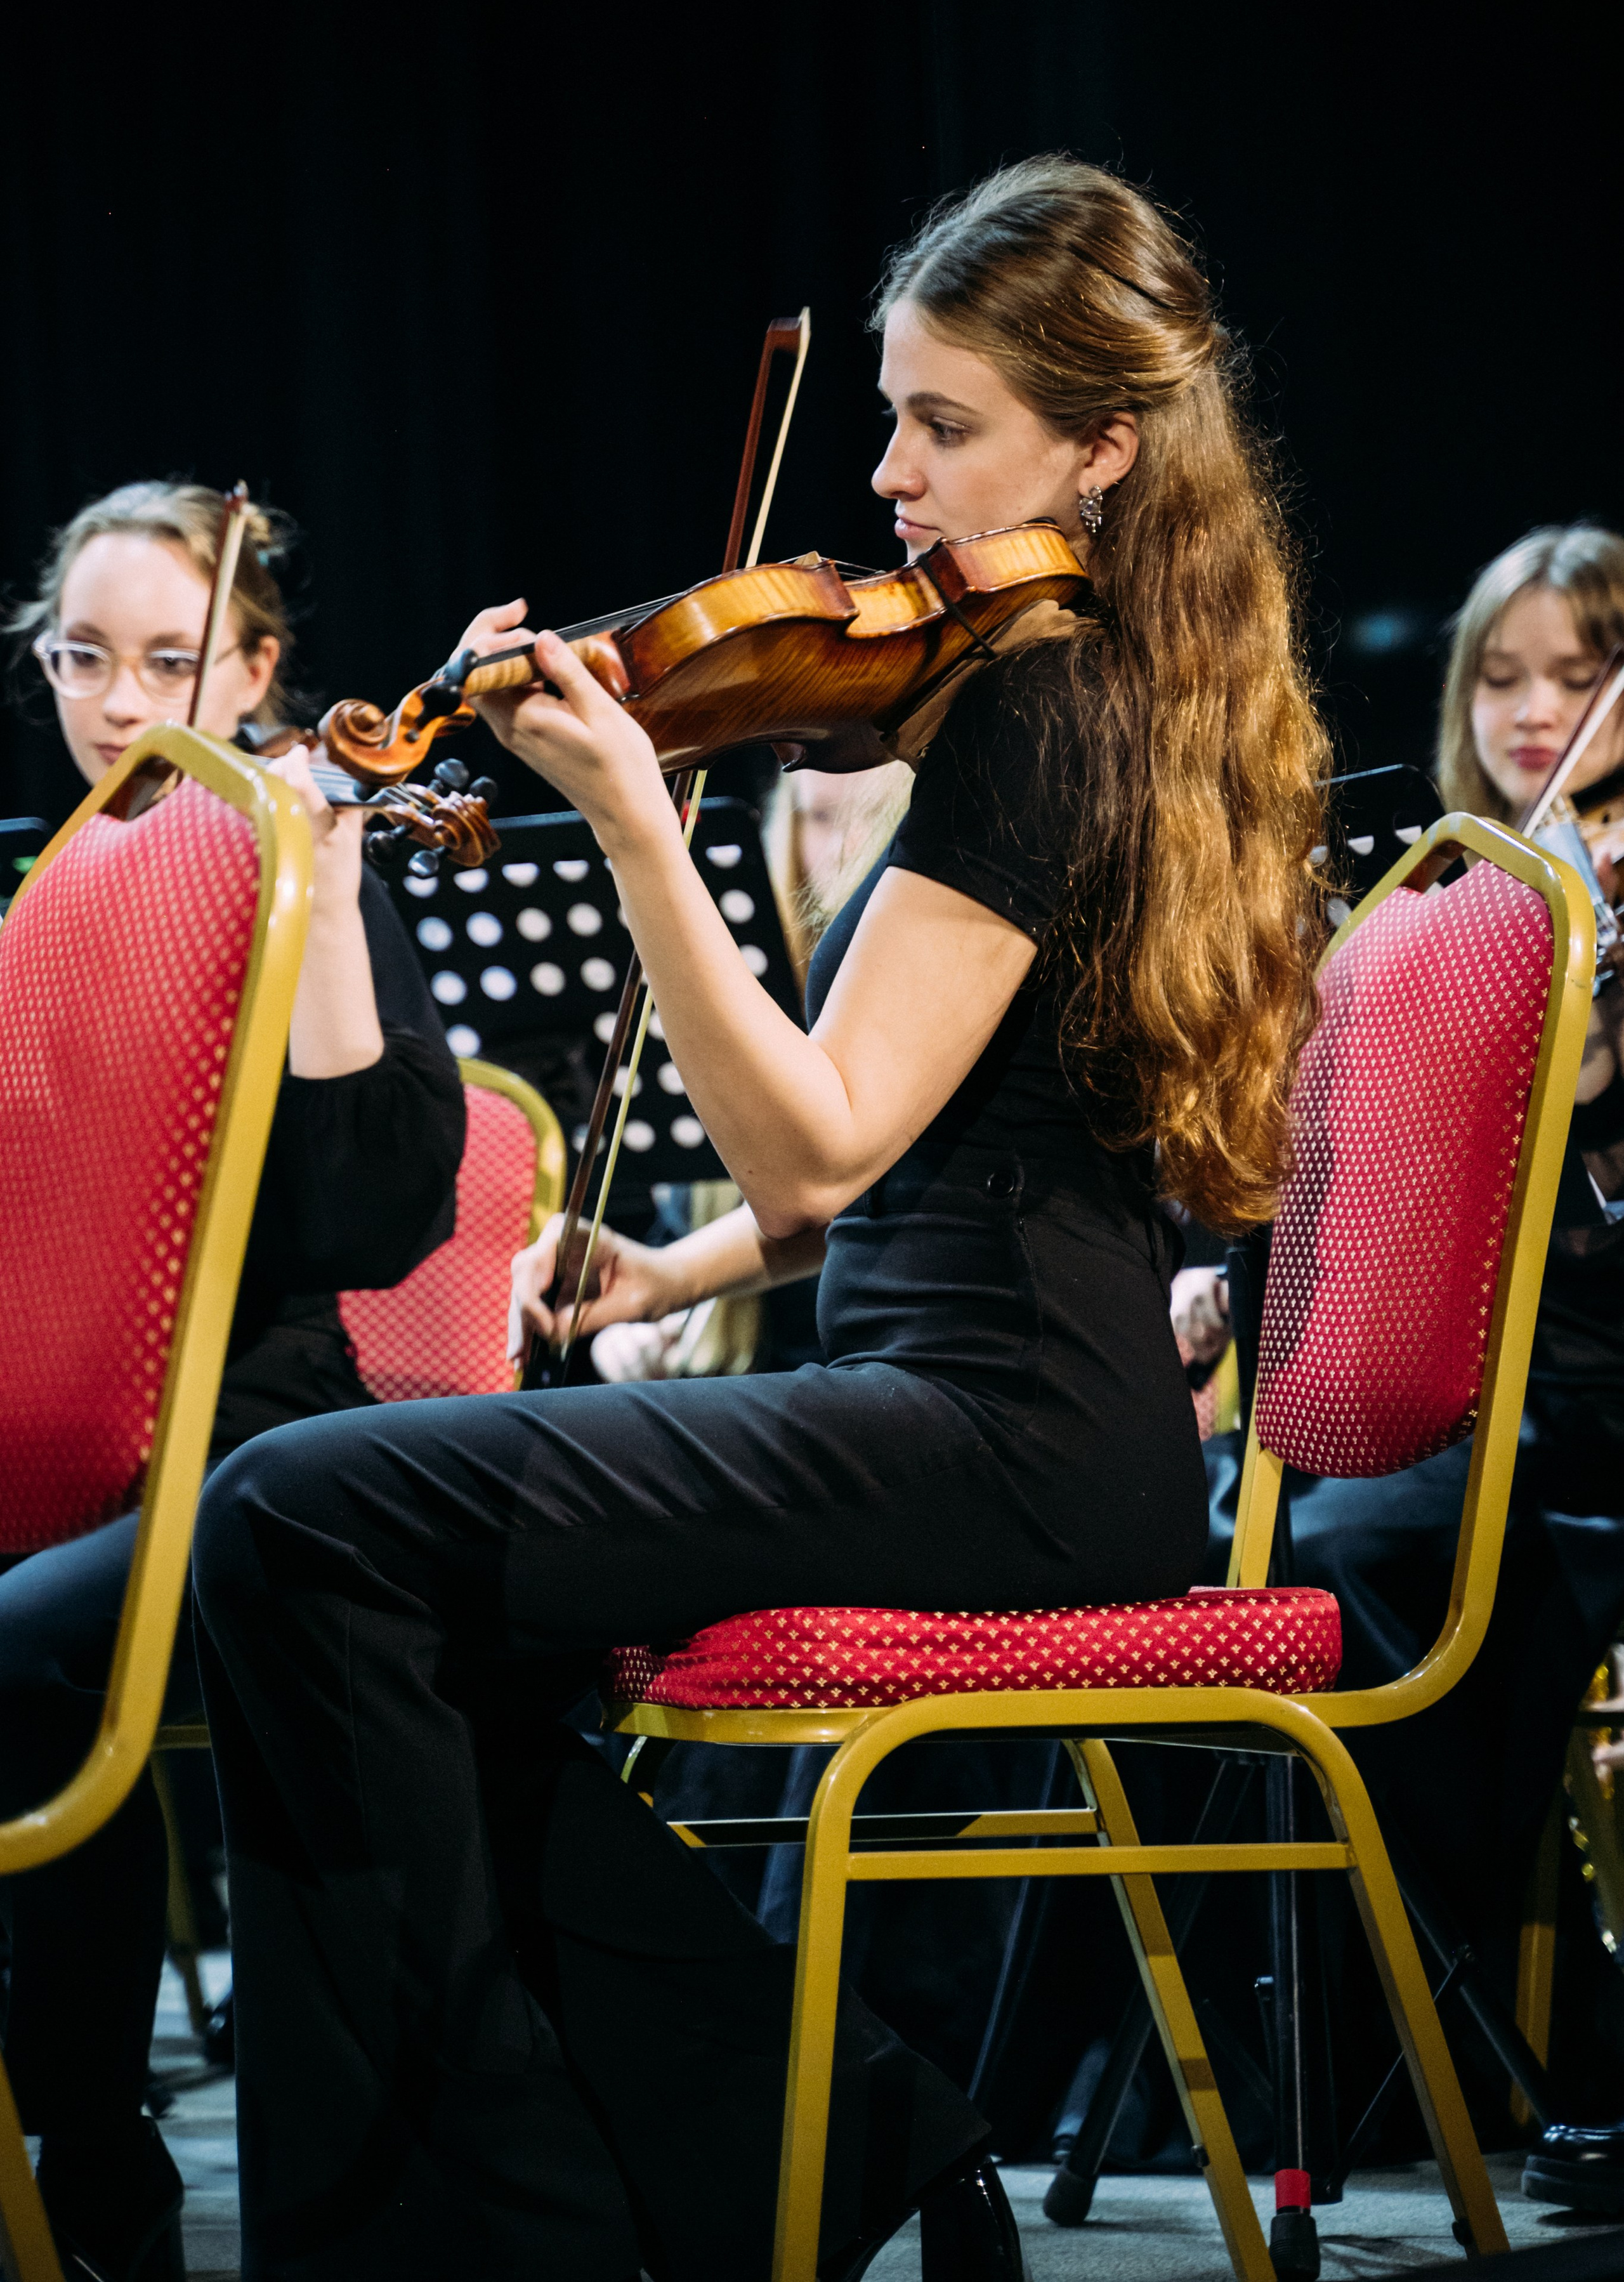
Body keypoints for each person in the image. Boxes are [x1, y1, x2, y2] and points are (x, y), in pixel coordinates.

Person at [189, 155, 1330, 2282]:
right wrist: (673, 1268)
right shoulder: (1054, 683)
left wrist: (636, 816)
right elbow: (889, 1176)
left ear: (1104, 446)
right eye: (890, 414)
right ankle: (821, 2138)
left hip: (1004, 1438)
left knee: (291, 1514)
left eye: (945, 425)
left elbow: (817, 1147)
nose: (887, 474)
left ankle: (506, 2228)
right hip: (969, 1398)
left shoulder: (1051, 703)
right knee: (406, 1601)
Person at [0, 482, 466, 2282]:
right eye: (83, 658)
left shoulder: (286, 868)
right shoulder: (48, 899)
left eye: (170, 662)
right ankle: (83, 2153)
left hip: (259, 1453)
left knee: (30, 1630)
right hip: (61, 1465)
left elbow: (384, 1212)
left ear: (260, 668)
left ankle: (92, 2152)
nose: (122, 707)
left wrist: (328, 900)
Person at [1180, 526, 1624, 2177]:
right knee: (1207, 1515)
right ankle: (1241, 2067)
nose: (1533, 714)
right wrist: (1251, 1270)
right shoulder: (1440, 892)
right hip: (1446, 1400)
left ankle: (1446, 2048)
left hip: (1578, 1407)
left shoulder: (1566, 904)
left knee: (1369, 1547)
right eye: (1501, 677)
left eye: (1578, 678)